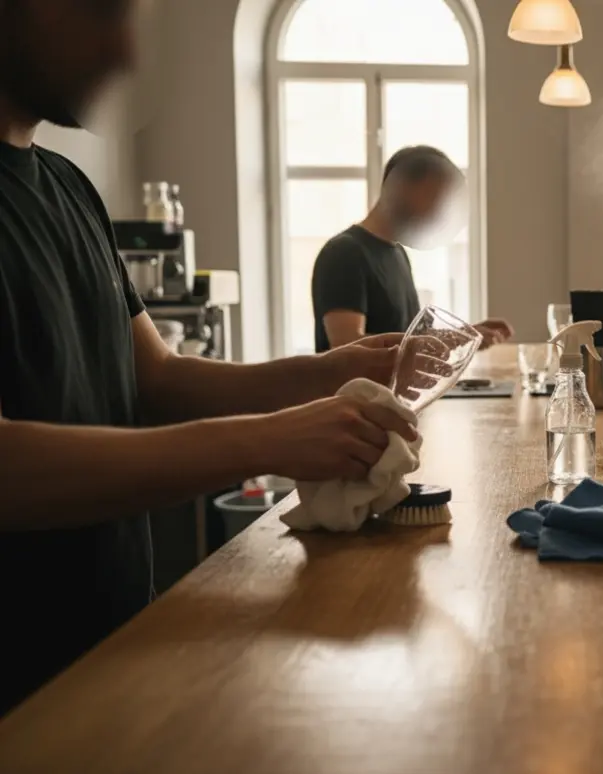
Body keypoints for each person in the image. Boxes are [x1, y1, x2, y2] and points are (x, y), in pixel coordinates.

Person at [0, 0, 422, 713]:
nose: (125, 54)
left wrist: (326, 373)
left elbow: (157, 378)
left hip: (112, 645)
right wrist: (267, 440)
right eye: (101, 14)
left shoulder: (69, 188)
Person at [311, 145, 513, 353]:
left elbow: (408, 338)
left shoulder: (398, 253)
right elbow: (347, 345)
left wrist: (465, 334)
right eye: (435, 195)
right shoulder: (344, 254)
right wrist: (449, 339)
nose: (440, 208)